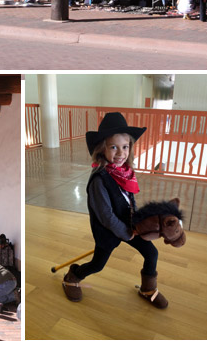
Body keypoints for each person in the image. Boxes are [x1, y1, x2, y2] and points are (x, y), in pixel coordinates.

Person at [61, 112, 168, 308]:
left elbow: (129, 201)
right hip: (108, 231)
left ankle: (148, 288)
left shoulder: (126, 172)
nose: (120, 153)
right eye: (113, 147)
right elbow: (106, 216)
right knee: (98, 264)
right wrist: (126, 233)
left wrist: (139, 222)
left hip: (130, 226)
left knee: (151, 254)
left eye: (125, 147)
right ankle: (72, 276)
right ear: (102, 149)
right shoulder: (99, 180)